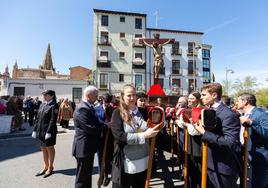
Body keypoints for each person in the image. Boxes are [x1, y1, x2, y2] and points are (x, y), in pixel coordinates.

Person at [109, 84, 162, 188]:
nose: (132, 98)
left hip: (144, 159)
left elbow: (151, 128)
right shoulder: (117, 113)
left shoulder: (143, 111)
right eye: (129, 95)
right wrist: (144, 136)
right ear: (122, 96)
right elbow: (119, 136)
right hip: (126, 162)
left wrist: (158, 126)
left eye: (134, 95)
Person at [194, 83, 241, 188]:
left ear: (214, 95)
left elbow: (230, 142)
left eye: (204, 95)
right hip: (209, 162)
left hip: (223, 167)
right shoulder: (208, 111)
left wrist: (204, 133)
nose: (201, 97)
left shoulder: (228, 114)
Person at [237, 93, 268, 188]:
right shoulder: (244, 114)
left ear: (245, 102)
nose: (236, 103)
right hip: (246, 154)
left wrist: (251, 122)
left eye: (238, 101)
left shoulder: (260, 113)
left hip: (260, 158)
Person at [72, 86, 101, 188]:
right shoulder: (82, 108)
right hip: (83, 148)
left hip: (87, 147)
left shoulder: (88, 106)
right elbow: (90, 128)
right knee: (82, 177)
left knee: (87, 175)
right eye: (95, 96)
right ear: (89, 96)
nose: (97, 98)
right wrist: (104, 127)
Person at [32, 90, 58, 178]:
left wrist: (49, 132)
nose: (44, 96)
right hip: (40, 131)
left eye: (46, 95)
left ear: (51, 96)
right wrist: (35, 130)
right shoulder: (42, 104)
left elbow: (52, 120)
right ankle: (45, 166)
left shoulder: (54, 105)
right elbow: (38, 118)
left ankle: (50, 167)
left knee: (50, 148)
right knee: (43, 148)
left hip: (48, 131)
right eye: (43, 95)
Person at [94, 93, 115, 186]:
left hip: (110, 138)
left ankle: (107, 175)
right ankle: (101, 175)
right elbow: (95, 122)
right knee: (100, 157)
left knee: (108, 157)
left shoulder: (114, 110)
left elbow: (115, 122)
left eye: (108, 102)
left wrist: (112, 125)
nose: (106, 104)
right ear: (102, 100)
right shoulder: (96, 109)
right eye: (105, 101)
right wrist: (105, 125)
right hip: (100, 137)